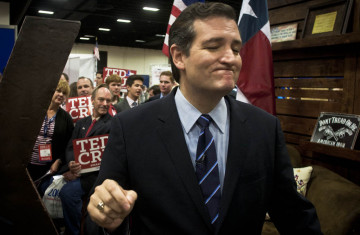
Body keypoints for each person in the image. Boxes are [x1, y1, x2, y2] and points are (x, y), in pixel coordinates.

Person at [86, 2, 321, 234]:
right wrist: (105, 216)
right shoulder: (131, 128)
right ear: (179, 56)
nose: (231, 58)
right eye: (214, 46)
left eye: (236, 49)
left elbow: (294, 214)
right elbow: (98, 214)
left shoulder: (265, 128)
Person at [58, 84, 112, 235]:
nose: (105, 104)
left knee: (69, 194)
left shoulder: (113, 123)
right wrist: (71, 164)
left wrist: (80, 172)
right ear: (92, 100)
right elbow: (71, 146)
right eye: (101, 100)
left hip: (97, 177)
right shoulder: (82, 122)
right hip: (78, 173)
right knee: (63, 192)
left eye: (108, 101)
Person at [27, 79, 73, 186]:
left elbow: (69, 145)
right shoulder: (35, 111)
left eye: (64, 93)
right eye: (58, 91)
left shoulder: (66, 118)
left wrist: (59, 160)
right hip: (28, 164)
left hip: (49, 167)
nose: (61, 94)